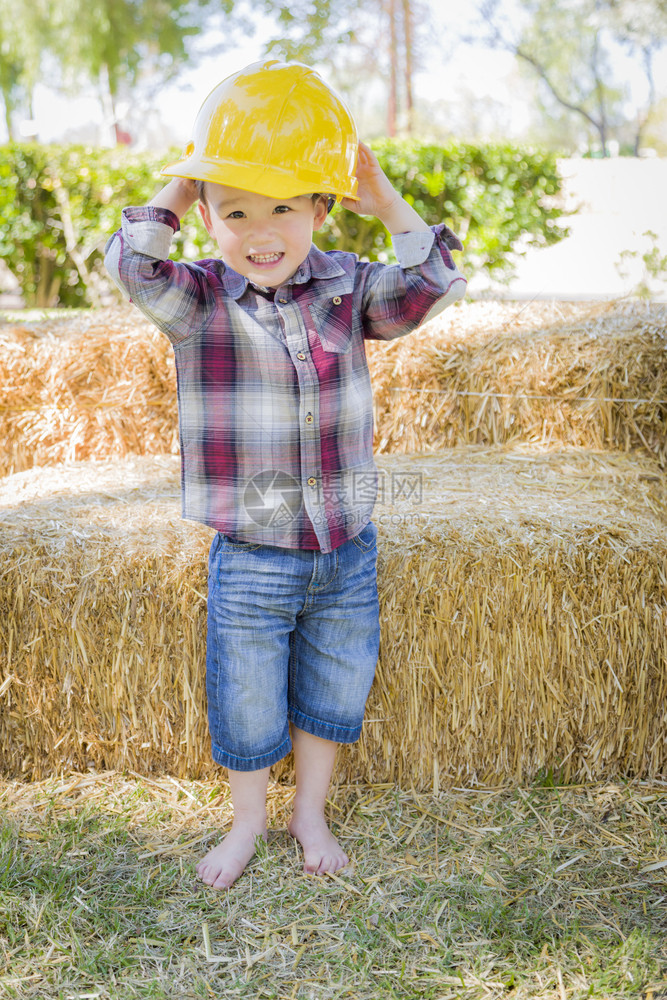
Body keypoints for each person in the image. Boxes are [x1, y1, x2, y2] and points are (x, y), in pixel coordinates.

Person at [105, 60, 466, 890]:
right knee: (248, 702)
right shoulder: (196, 300)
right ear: (205, 219)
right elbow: (131, 265)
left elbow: (432, 283)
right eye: (233, 211)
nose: (259, 230)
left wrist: (384, 203)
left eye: (281, 208)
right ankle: (247, 822)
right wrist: (180, 181)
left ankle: (310, 812)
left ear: (318, 209)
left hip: (346, 548)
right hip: (253, 555)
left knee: (335, 690)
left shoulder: (348, 287)